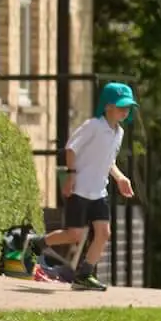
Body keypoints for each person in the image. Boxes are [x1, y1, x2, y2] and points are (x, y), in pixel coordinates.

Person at [55, 82, 138, 291]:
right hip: (80, 188)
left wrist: (120, 178)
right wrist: (71, 176)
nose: (125, 110)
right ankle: (37, 244)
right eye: (121, 106)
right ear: (107, 106)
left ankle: (84, 275)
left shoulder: (118, 133)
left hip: (99, 191)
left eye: (128, 107)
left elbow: (110, 161)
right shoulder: (93, 126)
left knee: (103, 233)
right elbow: (71, 149)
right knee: (74, 235)